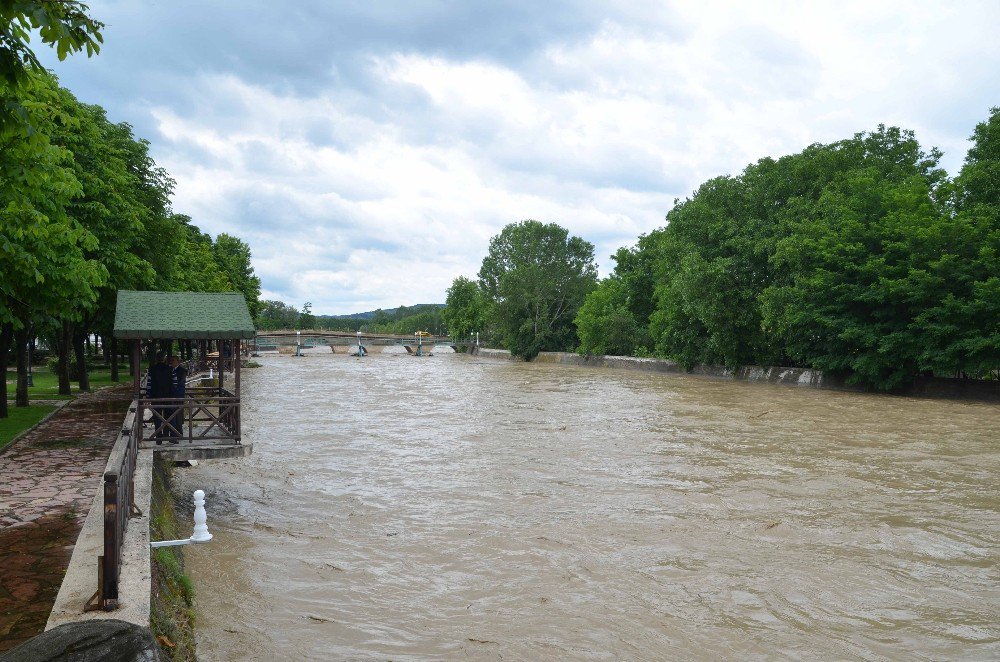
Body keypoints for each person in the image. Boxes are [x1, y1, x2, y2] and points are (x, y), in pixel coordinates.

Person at [148, 352, 172, 444]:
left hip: (155, 396)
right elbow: (173, 384)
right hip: (168, 396)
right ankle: (166, 434)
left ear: (156, 359)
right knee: (168, 416)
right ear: (164, 359)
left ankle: (158, 437)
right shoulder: (170, 369)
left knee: (157, 417)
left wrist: (148, 396)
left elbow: (149, 384)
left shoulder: (152, 369)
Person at [167, 355, 188, 443]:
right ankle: (175, 433)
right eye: (171, 360)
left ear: (178, 362)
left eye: (173, 360)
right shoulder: (169, 370)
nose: (171, 362)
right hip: (171, 396)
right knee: (172, 415)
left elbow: (179, 383)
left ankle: (178, 433)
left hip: (178, 396)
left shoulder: (182, 370)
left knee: (178, 415)